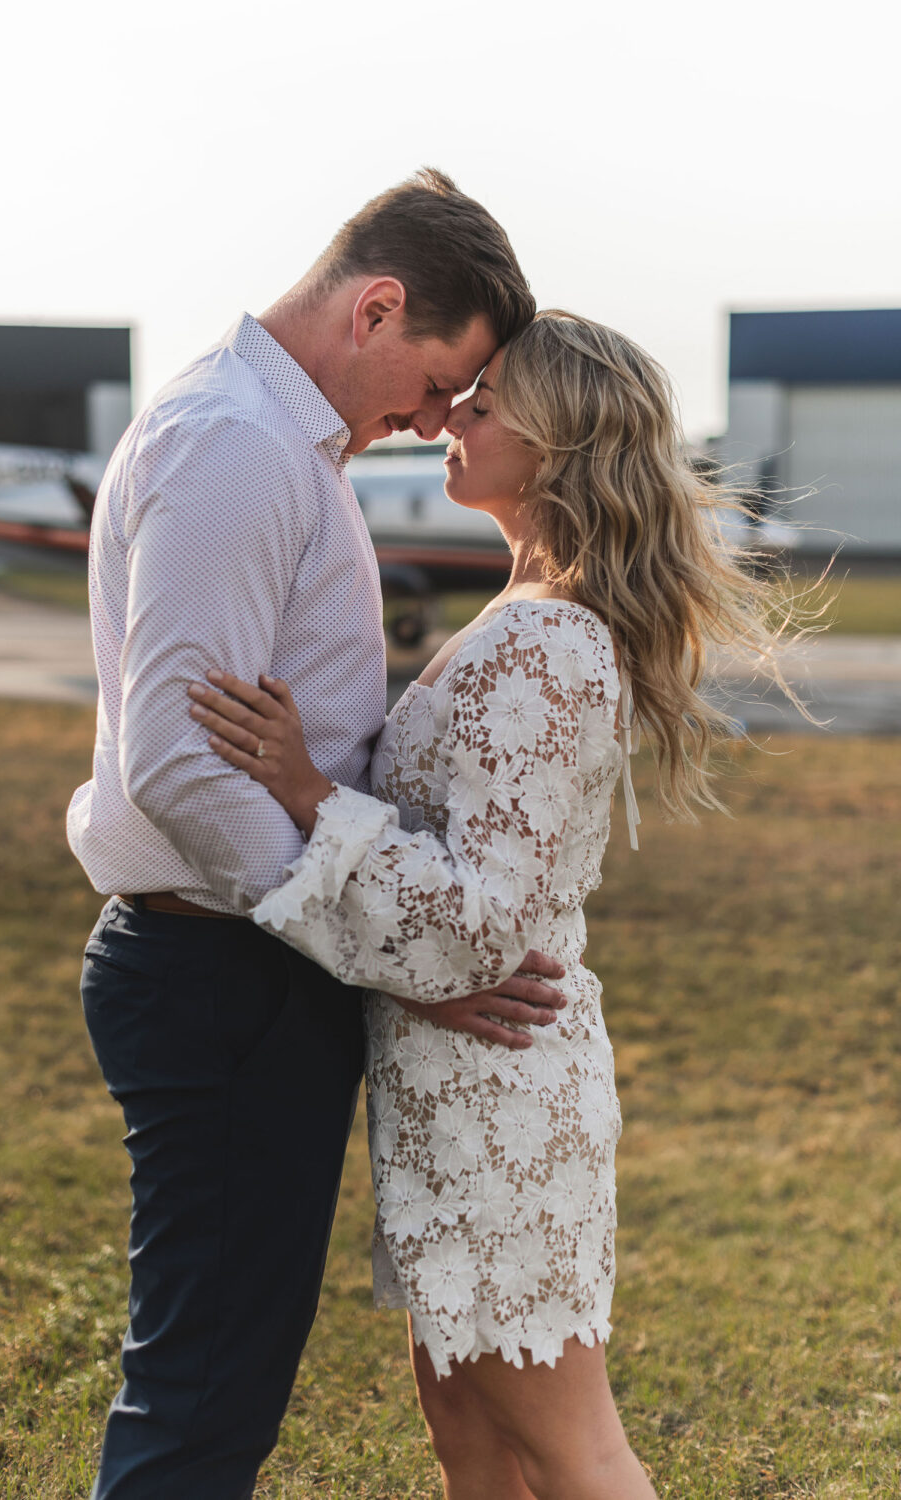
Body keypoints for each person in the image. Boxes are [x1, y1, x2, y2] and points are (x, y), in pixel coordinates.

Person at [187, 311, 798, 1499]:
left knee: (567, 1444)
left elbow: (481, 923)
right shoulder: (524, 612)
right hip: (450, 1089)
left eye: (486, 403)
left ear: (559, 443)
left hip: (504, 1099)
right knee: (467, 1431)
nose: (451, 416)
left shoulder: (549, 646)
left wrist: (312, 793)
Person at [66, 170, 567, 1499]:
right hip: (223, 969)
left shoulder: (277, 444)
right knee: (204, 1402)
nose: (430, 422)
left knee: (218, 1384)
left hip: (242, 958)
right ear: (379, 306)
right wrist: (389, 951)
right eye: (435, 384)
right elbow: (181, 765)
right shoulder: (233, 445)